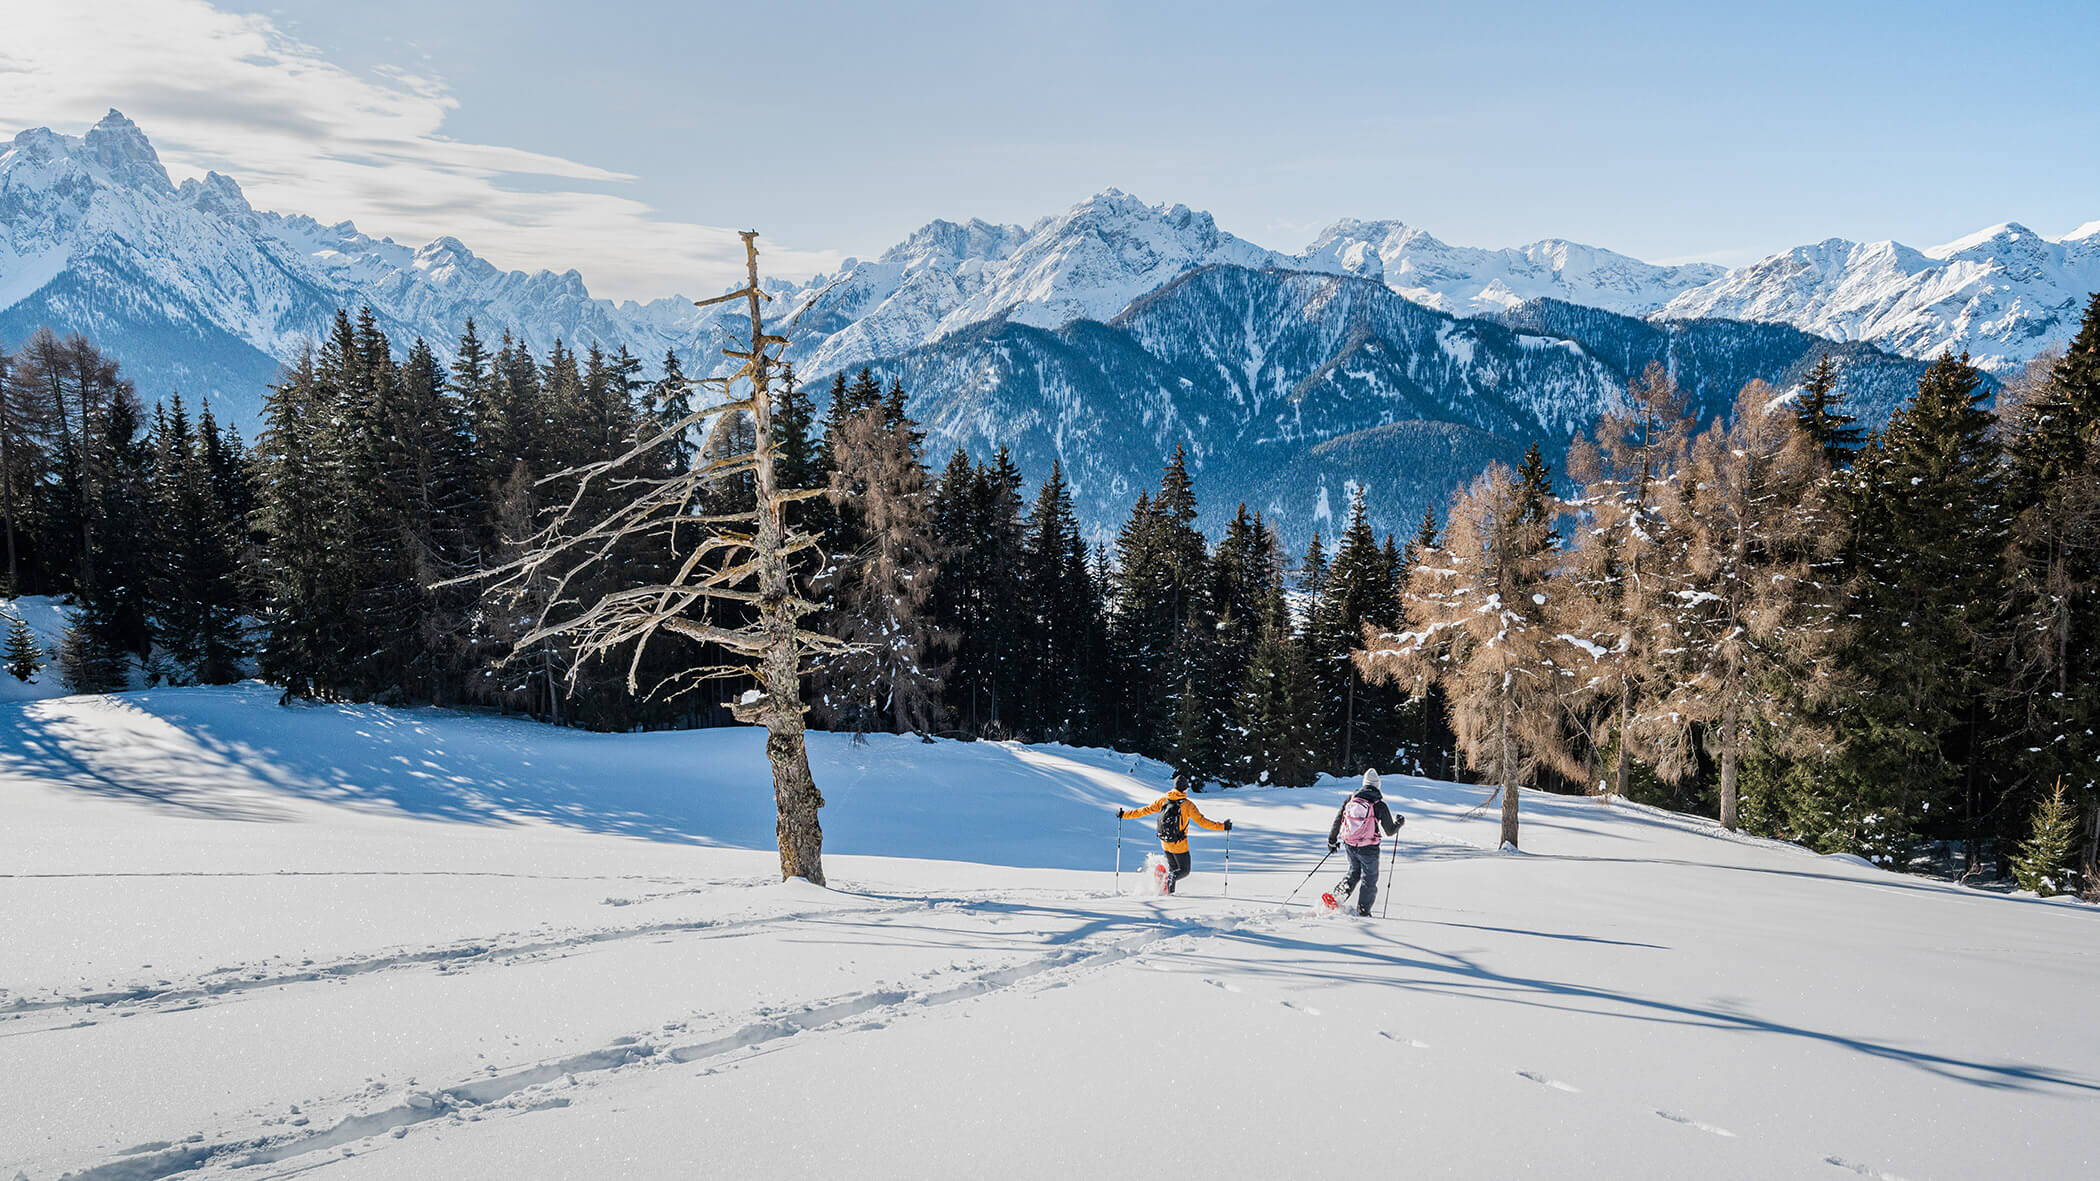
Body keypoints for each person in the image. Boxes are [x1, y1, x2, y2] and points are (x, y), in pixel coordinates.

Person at [1116, 771, 1231, 894]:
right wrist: (1223, 826)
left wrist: (1125, 815)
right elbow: (1202, 822)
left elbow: (1145, 810)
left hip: (1165, 842)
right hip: (1179, 844)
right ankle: (1167, 880)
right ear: (1185, 789)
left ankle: (1168, 894)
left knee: (1174, 870)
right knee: (1184, 871)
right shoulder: (1188, 805)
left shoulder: (1164, 800)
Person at [1327, 768, 1405, 915]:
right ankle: (1363, 911)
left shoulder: (1351, 799)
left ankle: (1336, 899)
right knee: (1369, 879)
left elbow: (1339, 819)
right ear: (1377, 785)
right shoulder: (1379, 804)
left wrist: (1332, 841)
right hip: (1369, 848)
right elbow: (1389, 831)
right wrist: (1399, 823)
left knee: (1353, 872)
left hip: (1350, 844)